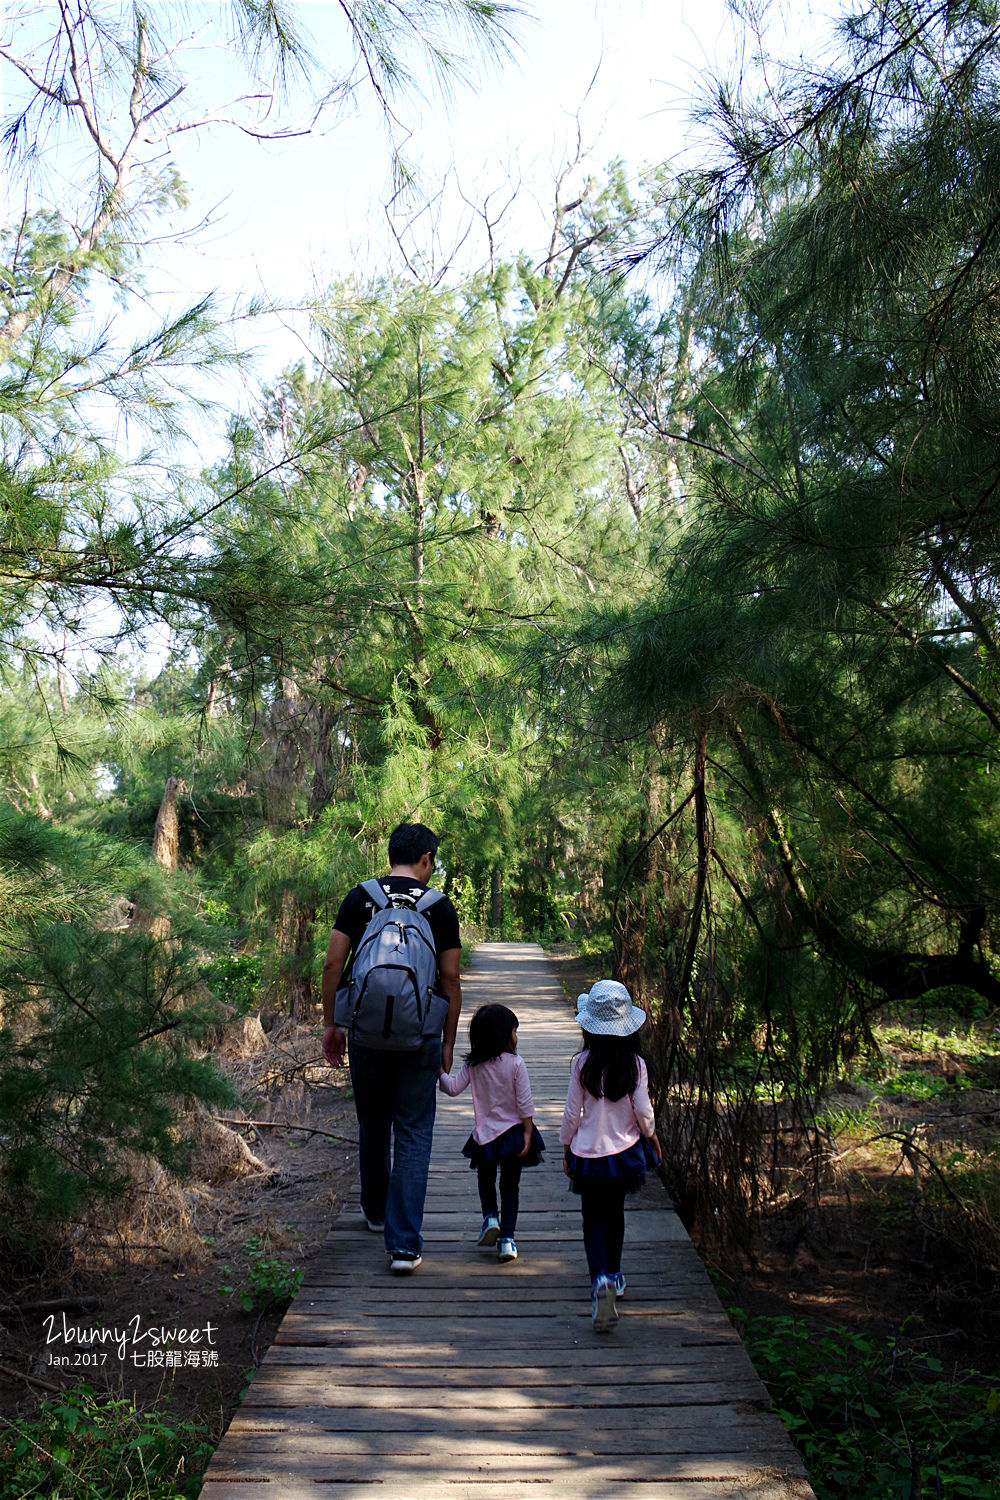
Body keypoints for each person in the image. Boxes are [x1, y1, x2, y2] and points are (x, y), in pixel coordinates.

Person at [321, 822, 462, 1274]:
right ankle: (404, 1246)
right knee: (415, 1132)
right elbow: (452, 978)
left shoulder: (360, 897)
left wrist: (332, 1024)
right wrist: (448, 1041)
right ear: (425, 860)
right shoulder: (439, 906)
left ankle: (376, 1212)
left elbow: (333, 963)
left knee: (374, 1120)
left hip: (364, 1033)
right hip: (419, 1034)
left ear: (390, 856)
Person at [560, 979, 662, 1332]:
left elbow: (572, 1113)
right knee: (615, 1213)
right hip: (622, 1153)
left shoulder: (581, 1063)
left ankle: (598, 1279)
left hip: (588, 1154)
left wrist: (565, 1145)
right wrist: (651, 1136)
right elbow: (643, 1110)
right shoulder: (635, 1064)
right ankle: (616, 1274)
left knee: (592, 1219)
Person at [438, 1003, 545, 1264]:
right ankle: (507, 1240)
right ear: (504, 1036)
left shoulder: (474, 1065)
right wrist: (528, 1132)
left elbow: (452, 1088)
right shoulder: (516, 1064)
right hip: (512, 1135)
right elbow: (525, 1103)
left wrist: (438, 1070)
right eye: (514, 1032)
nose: (516, 1037)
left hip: (485, 1137)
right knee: (510, 1186)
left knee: (486, 1179)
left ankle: (490, 1217)